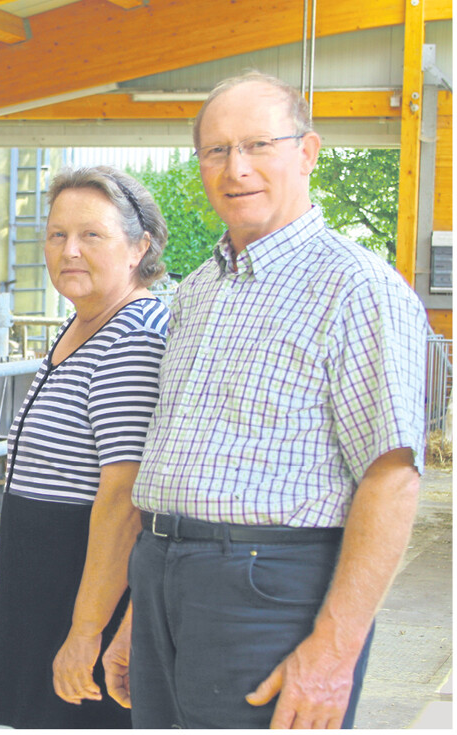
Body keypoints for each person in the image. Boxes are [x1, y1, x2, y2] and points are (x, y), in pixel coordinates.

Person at [102, 71, 430, 729]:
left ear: (306, 152)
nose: (236, 167)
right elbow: (184, 460)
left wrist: (335, 648)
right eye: (215, 150)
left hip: (267, 587)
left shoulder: (355, 287)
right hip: (167, 568)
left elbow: (390, 478)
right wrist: (141, 606)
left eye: (257, 144)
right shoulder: (196, 293)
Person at [0, 166, 170, 728]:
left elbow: (123, 498)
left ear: (139, 247)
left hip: (84, 594)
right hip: (43, 588)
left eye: (92, 235)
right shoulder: (84, 324)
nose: (70, 250)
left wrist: (85, 634)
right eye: (57, 235)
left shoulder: (133, 340)